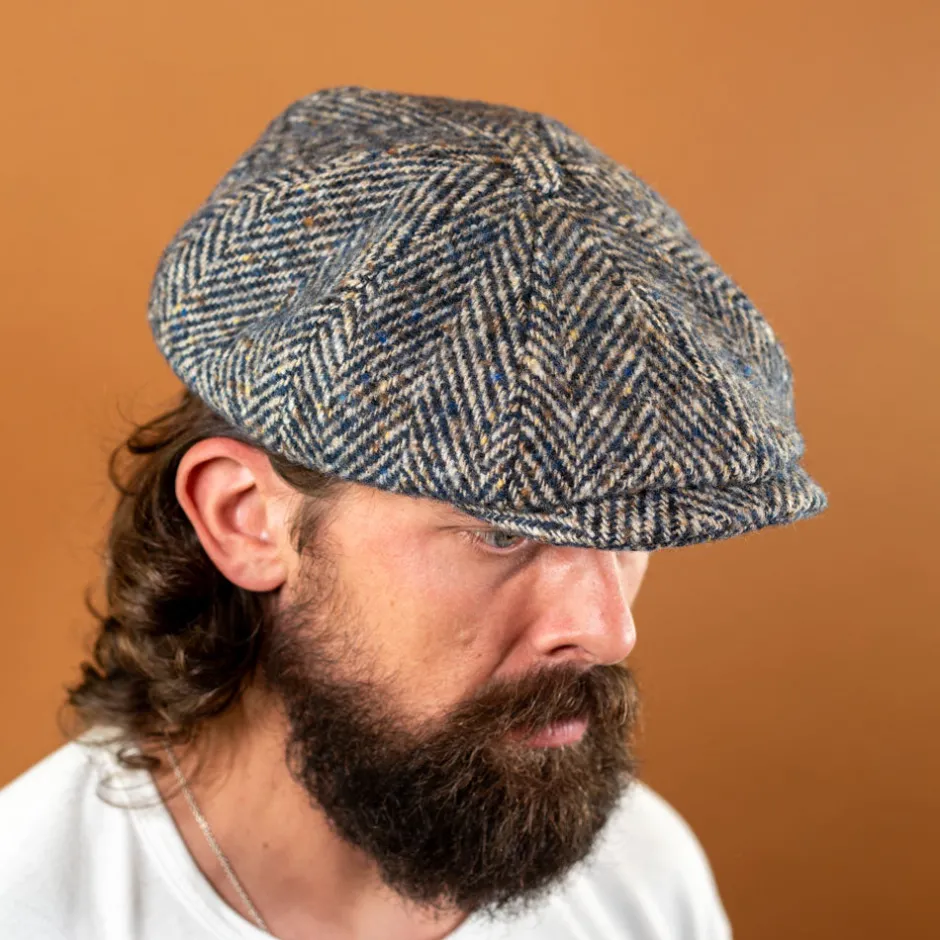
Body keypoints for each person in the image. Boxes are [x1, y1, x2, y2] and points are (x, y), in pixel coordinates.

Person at [0, 85, 827, 940]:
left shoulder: (643, 877)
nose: (608, 631)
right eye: (502, 531)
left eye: (630, 531)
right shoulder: (32, 908)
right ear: (245, 518)